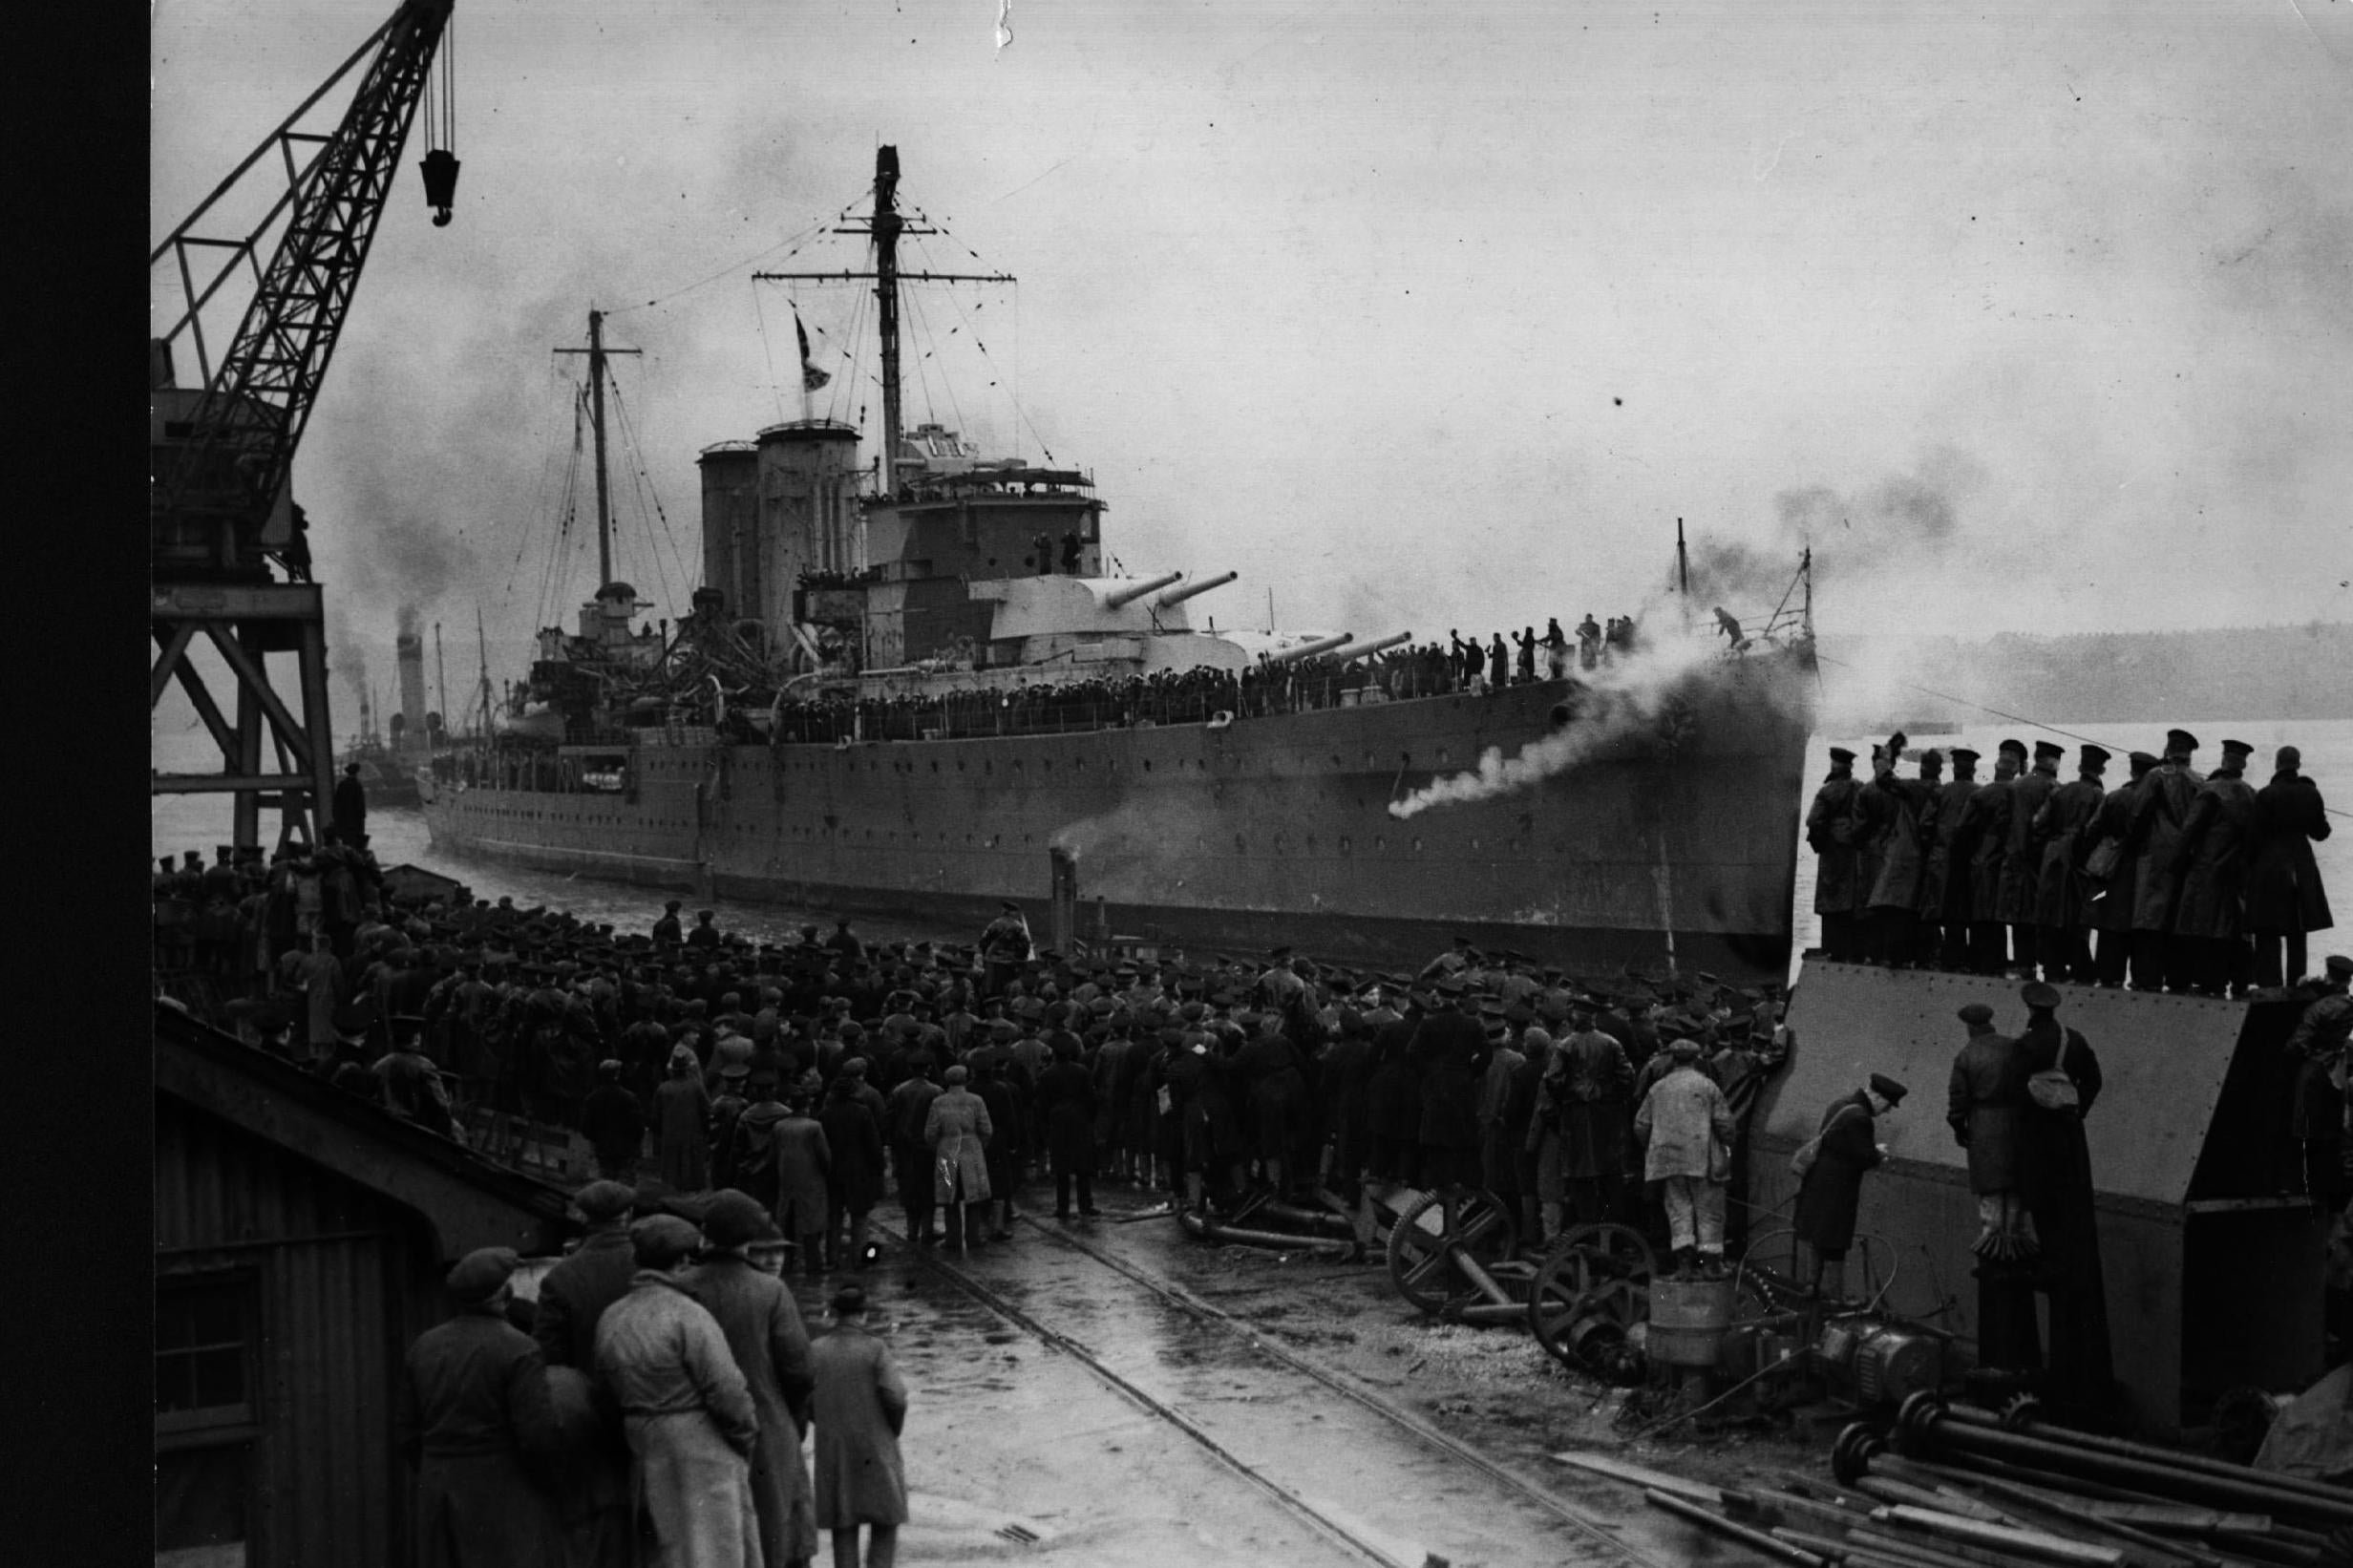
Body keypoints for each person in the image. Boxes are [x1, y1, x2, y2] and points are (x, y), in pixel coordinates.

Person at [593, 1214, 762, 1568]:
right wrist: (744, 1437)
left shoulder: (611, 1317)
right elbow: (727, 1391)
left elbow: (605, 1394)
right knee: (714, 1551)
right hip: (701, 1450)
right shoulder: (688, 1315)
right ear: (683, 1262)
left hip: (643, 1448)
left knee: (662, 1553)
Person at [395, 1246, 564, 1568]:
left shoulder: (424, 1346)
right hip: (500, 1484)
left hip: (437, 1483)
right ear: (504, 1293)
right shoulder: (519, 1348)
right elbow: (537, 1435)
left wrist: (438, 1465)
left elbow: (405, 1431)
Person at [685, 1191, 820, 1568]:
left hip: (703, 1432)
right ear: (746, 1241)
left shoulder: (681, 1288)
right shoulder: (771, 1291)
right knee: (780, 1535)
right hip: (768, 1429)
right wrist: (792, 1418)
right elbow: (801, 1370)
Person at [2013, 982, 2113, 1412]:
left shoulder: (2026, 1046)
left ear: (2030, 1010)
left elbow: (2013, 1093)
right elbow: (2094, 1079)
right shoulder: (2076, 1040)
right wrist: (2079, 1107)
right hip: (2073, 1139)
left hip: (2040, 1141)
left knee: (2047, 1226)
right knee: (2075, 1232)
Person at [534, 1181, 640, 1568]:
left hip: (591, 1422)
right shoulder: (648, 1265)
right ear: (628, 1216)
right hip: (651, 1413)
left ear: (584, 1219)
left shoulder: (561, 1278)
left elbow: (549, 1358)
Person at [807, 1285, 909, 1568]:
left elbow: (803, 1398)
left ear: (835, 1315)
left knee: (844, 1524)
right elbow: (895, 1396)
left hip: (834, 1450)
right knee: (885, 1524)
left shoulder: (815, 1350)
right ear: (863, 1315)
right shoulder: (875, 1349)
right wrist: (891, 1429)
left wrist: (826, 1420)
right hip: (876, 1448)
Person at [1793, 1074, 1907, 1299]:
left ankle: (1811, 1285)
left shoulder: (1841, 1104)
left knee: (1817, 1237)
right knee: (1835, 1244)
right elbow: (1864, 1156)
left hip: (1818, 1181)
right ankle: (1836, 1298)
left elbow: (1841, 1144)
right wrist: (1879, 1154)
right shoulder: (1860, 1118)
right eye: (1887, 1105)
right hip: (1838, 1189)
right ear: (1876, 1096)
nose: (1887, 1111)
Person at [1632, 1037, 1737, 1277]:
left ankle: (1684, 1266)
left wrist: (1656, 1146)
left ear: (1672, 1058)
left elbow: (1641, 1125)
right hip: (1702, 1160)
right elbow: (1725, 1125)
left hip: (1668, 1160)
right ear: (1697, 1059)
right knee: (1709, 1212)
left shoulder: (1658, 1088)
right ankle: (1711, 1266)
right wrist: (1727, 1144)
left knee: (1679, 1211)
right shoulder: (1707, 1086)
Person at [1528, 1004, 1633, 1241]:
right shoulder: (1611, 1043)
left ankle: (1585, 1232)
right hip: (1606, 1117)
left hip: (1574, 1117)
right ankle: (1614, 1234)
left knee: (1579, 1173)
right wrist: (1609, 1096)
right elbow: (1627, 1077)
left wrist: (1569, 1096)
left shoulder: (1566, 1045)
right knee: (1609, 1173)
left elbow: (1552, 1079)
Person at [2173, 738, 2260, 996]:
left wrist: (2175, 863)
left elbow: (2190, 829)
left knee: (2199, 926)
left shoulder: (2210, 790)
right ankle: (2234, 981)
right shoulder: (2250, 793)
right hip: (2236, 870)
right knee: (2232, 929)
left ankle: (2204, 980)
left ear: (2223, 759)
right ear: (2242, 764)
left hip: (2206, 868)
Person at [1946, 1001, 2032, 1259]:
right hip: (2017, 1125)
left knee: (1991, 1192)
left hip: (1984, 1127)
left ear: (1970, 1027)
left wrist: (1958, 1126)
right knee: (2015, 1191)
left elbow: (1958, 1099)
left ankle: (1992, 1249)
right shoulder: (2014, 1047)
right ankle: (2016, 1244)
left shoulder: (1966, 1055)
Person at [2126, 729, 2205, 991]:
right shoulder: (2199, 781)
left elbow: (2137, 816)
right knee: (2178, 920)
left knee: (2149, 921)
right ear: (2188, 753)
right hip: (2187, 858)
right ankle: (2178, 979)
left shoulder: (2154, 776)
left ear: (2168, 749)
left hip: (2155, 854)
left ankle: (2147, 979)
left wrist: (2130, 848)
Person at [2249, 746, 2334, 989]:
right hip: (2301, 864)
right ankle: (2297, 984)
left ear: (2277, 764)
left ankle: (2270, 985)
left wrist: (2249, 868)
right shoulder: (2310, 793)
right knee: (2298, 927)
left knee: (2267, 929)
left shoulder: (2265, 795)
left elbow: (2253, 837)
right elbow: (2321, 833)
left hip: (2270, 865)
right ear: (2298, 764)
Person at [2030, 744, 2110, 985]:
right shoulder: (2099, 796)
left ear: (2079, 766)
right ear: (2102, 770)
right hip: (2080, 860)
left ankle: (2052, 967)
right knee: (2078, 917)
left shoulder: (2060, 791)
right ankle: (2081, 969)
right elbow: (2098, 830)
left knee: (2051, 914)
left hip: (2053, 857)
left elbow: (2037, 824)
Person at [2080, 752, 2155, 986]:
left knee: (2111, 925)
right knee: (2143, 928)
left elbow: (2092, 829)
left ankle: (2109, 976)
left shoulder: (2116, 796)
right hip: (2148, 871)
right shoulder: (2156, 800)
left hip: (2114, 872)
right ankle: (2142, 980)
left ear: (2132, 770)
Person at [2286, 956, 2353, 1214]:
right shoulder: (2347, 1005)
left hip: (2314, 1069)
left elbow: (2298, 1044)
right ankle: (2330, 1184)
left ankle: (2297, 1183)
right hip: (2336, 1067)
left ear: (2329, 973)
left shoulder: (2318, 1009)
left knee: (2303, 1125)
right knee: (2331, 1126)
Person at [818, 1070, 886, 1270]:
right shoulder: (862, 1112)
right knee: (860, 1217)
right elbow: (873, 1143)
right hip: (859, 1172)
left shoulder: (825, 1114)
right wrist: (879, 1166)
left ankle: (832, 1258)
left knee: (834, 1217)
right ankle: (861, 1258)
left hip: (834, 1172)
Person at [925, 1064, 994, 1249]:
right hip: (971, 1149)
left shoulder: (938, 1102)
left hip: (947, 1150)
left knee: (950, 1198)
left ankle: (952, 1239)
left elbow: (931, 1132)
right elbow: (986, 1128)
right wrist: (980, 1144)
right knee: (974, 1197)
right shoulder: (976, 1100)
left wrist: (939, 1147)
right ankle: (973, 1237)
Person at [1806, 747, 1866, 962]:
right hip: (1855, 850)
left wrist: (1819, 842)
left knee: (1831, 899)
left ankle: (1832, 950)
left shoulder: (1827, 791)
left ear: (1833, 766)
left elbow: (1813, 821)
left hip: (1832, 851)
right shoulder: (1860, 788)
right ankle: (1855, 951)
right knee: (1853, 900)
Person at [1035, 1032, 1101, 1218]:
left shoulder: (1046, 1074)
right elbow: (1091, 1098)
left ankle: (1062, 1207)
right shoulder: (1081, 1071)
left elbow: (1042, 1103)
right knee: (1083, 1166)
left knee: (1061, 1167)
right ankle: (1085, 1205)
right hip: (1080, 1119)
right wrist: (1089, 1118)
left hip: (1058, 1120)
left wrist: (1047, 1123)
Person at [885, 1058, 944, 1246]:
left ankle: (912, 1231)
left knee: (909, 1190)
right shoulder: (936, 1091)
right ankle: (927, 1231)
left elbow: (891, 1119)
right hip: (928, 1148)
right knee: (928, 1191)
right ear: (928, 1068)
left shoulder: (899, 1090)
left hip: (905, 1148)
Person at [375, 1015, 459, 1139]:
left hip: (381, 1126)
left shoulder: (380, 1064)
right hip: (412, 1133)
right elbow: (440, 1107)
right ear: (416, 1038)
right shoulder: (424, 1066)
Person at [655, 1043, 713, 1192]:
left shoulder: (663, 1088)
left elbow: (656, 1114)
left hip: (670, 1134)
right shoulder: (695, 1086)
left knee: (671, 1170)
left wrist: (659, 1133)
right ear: (687, 1069)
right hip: (693, 1133)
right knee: (693, 1169)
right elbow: (707, 1108)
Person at [582, 1061, 647, 1183]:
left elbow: (586, 1128)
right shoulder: (629, 1098)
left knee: (606, 1185)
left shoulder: (592, 1099)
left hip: (603, 1148)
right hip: (626, 1149)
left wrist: (597, 1138)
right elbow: (638, 1127)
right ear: (617, 1075)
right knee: (625, 1187)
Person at [979, 902, 1030, 998]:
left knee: (993, 989)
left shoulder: (994, 924)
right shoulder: (1018, 926)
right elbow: (1025, 945)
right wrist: (1018, 957)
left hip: (994, 963)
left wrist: (987, 955)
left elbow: (983, 942)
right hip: (1011, 963)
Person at [334, 761, 368, 849]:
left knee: (346, 844)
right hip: (355, 823)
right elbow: (361, 807)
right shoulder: (357, 785)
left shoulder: (341, 785)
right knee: (355, 845)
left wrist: (337, 821)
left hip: (343, 822)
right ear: (356, 773)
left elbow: (336, 804)